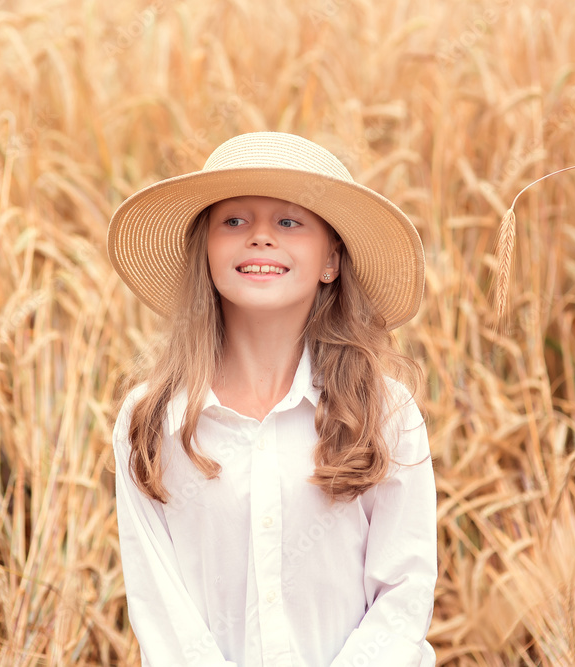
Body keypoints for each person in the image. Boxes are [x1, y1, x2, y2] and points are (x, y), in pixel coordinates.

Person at [108, 131, 437, 666]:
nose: (260, 237)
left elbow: (403, 591)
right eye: (233, 221)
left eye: (289, 222)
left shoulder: (384, 411)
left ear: (331, 259)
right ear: (206, 253)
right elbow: (160, 608)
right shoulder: (152, 420)